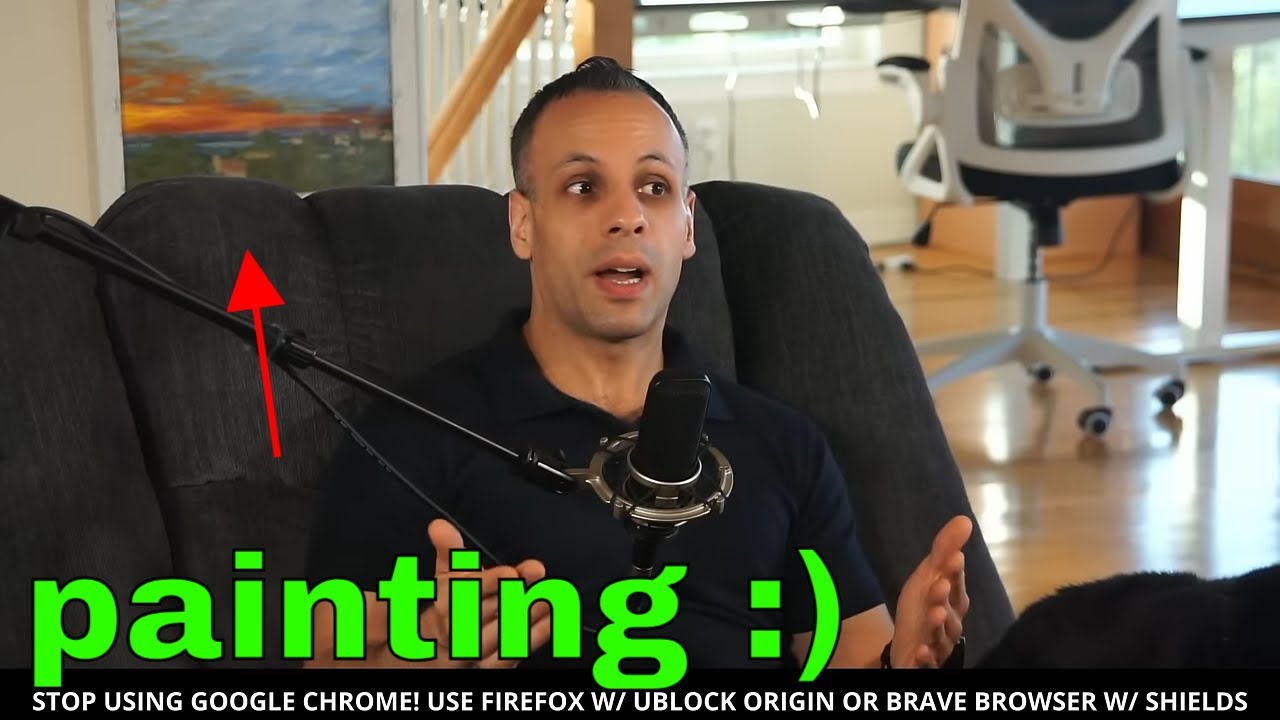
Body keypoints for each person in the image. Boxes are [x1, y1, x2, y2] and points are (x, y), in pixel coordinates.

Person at [303, 56, 971, 672]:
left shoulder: (783, 444)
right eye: (583, 186)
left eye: (654, 187)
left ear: (686, 225)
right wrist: (424, 665)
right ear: (523, 224)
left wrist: (908, 664)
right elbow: (328, 667)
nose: (627, 216)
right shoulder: (409, 435)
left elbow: (853, 660)